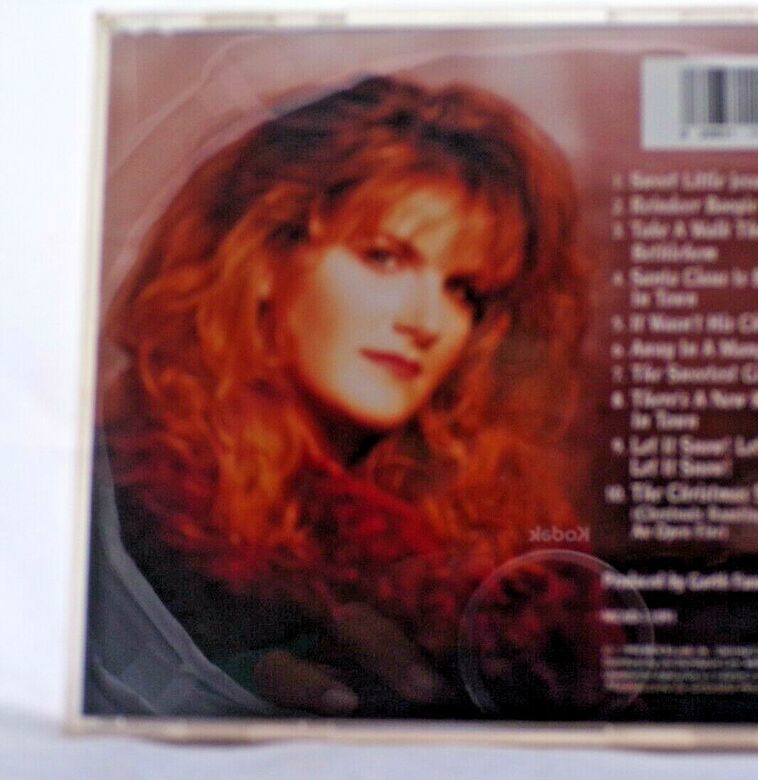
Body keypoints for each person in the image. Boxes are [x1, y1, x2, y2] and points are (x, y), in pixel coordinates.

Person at [84, 75, 591, 718]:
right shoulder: (124, 509)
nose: (426, 322)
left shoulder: (491, 547)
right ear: (265, 257)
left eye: (464, 290)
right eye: (384, 258)